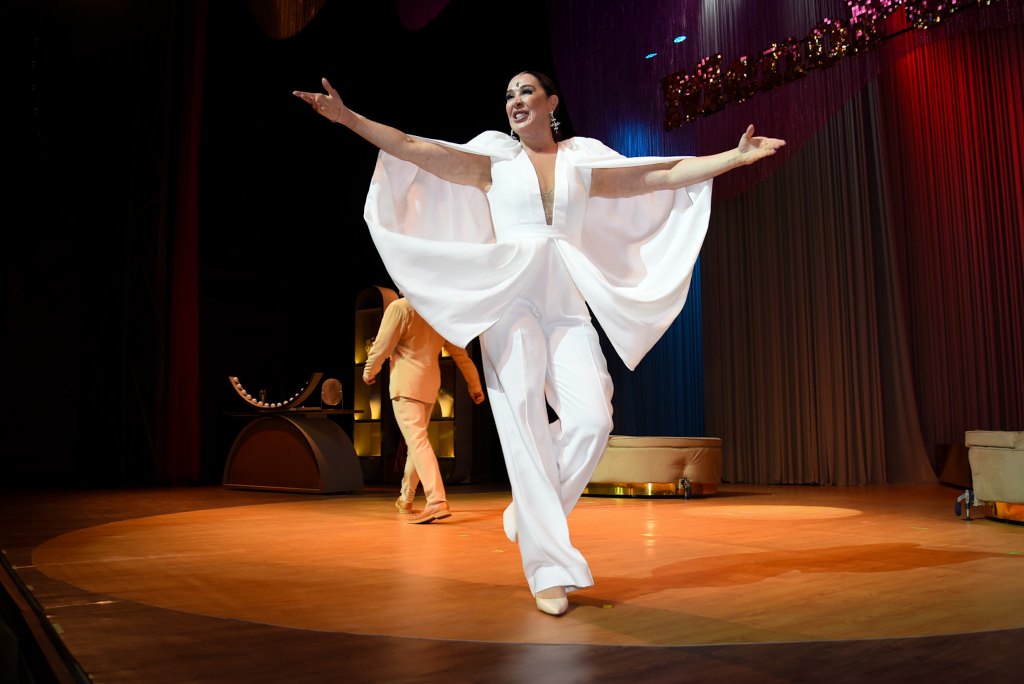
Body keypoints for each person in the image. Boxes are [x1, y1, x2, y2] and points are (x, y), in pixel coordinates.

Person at [294, 71, 784, 615]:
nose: (515, 101)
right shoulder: (494, 162)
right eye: (508, 95)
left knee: (593, 420)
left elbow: (661, 174)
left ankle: (528, 514)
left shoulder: (582, 161)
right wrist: (347, 118)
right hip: (510, 301)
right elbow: (412, 147)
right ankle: (548, 567)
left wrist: (734, 157)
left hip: (567, 304)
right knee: (523, 423)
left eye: (526, 91)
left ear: (552, 102)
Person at [363, 296, 486, 524]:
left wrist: (370, 370)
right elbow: (459, 353)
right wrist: (474, 384)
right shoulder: (437, 309)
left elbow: (382, 345)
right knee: (416, 443)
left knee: (417, 442)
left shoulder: (400, 307)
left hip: (406, 383)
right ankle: (406, 499)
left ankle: (436, 501)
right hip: (429, 385)